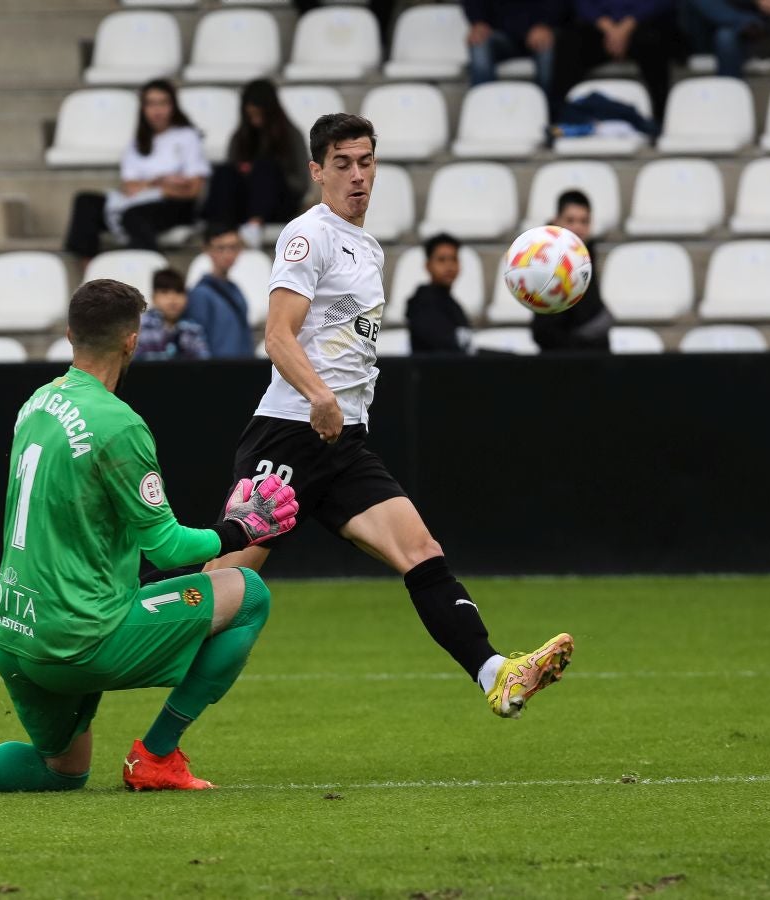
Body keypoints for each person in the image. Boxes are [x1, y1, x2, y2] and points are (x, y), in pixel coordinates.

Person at [0, 279, 298, 799]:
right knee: (250, 595)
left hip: (12, 632)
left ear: (69, 335)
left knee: (64, 772)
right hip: (79, 639)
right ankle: (157, 756)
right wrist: (237, 529)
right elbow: (168, 549)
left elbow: (76, 519)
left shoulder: (36, 403)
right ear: (132, 340)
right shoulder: (120, 425)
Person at [207, 113, 574, 719]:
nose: (357, 176)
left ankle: (496, 674)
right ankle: (119, 647)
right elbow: (277, 336)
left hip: (342, 443)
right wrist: (321, 396)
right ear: (317, 170)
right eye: (344, 164)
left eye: (367, 162)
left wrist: (337, 409)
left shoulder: (367, 247)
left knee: (421, 550)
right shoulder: (308, 235)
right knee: (223, 589)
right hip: (292, 433)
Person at [62, 80, 209, 258]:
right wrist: (161, 182)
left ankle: (149, 267)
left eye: (163, 103)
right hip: (140, 202)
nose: (157, 110)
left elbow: (193, 190)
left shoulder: (187, 136)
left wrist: (156, 188)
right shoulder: (136, 143)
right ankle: (88, 269)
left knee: (134, 217)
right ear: (143, 108)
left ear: (173, 106)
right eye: (151, 104)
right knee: (85, 202)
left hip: (175, 206)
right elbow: (129, 187)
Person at [202, 80, 310, 250]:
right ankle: (219, 231)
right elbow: (232, 173)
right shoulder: (239, 137)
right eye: (251, 116)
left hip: (280, 203)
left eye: (259, 115)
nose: (255, 121)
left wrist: (269, 175)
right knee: (223, 172)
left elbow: (302, 184)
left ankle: (253, 227)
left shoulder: (291, 136)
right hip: (245, 201)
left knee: (265, 167)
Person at [551, 0, 680, 126]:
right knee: (569, 43)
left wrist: (627, 26)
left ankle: (660, 121)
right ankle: (559, 119)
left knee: (654, 44)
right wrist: (608, 28)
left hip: (644, 24)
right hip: (598, 27)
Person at [533, 190, 613, 353]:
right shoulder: (546, 260)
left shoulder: (587, 253)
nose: (578, 227)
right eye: (570, 220)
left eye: (584, 221)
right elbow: (543, 330)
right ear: (557, 221)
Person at [463, 0, 571, 98]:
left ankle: (548, 111)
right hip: (499, 33)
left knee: (548, 46)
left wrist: (545, 24)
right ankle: (484, 107)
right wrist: (478, 21)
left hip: (542, 32)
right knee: (478, 42)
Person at [681, 0, 770, 78]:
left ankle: (729, 104)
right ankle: (744, 22)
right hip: (709, 28)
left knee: (725, 37)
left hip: (764, 36)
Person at [185, 223, 256, 359]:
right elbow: (195, 344)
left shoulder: (236, 289)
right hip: (217, 372)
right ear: (207, 249)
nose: (228, 254)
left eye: (234, 247)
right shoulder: (200, 294)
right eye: (220, 248)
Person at [405, 233, 474, 355]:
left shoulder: (455, 306)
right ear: (428, 266)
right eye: (441, 260)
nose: (449, 266)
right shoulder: (421, 303)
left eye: (454, 259)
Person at [137, 269, 210, 361]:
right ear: (154, 298)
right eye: (165, 292)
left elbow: (204, 364)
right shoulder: (141, 327)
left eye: (178, 292)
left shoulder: (193, 330)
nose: (172, 299)